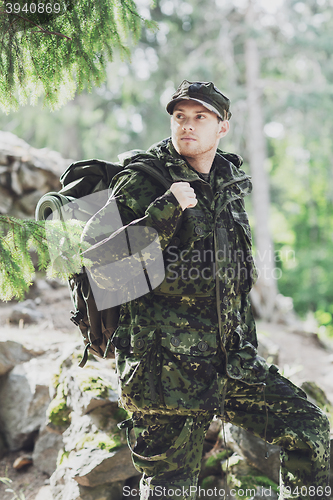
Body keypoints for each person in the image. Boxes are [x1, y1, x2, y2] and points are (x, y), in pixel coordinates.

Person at [84, 81, 330, 499]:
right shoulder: (143, 181)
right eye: (180, 116)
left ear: (223, 128)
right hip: (164, 374)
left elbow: (235, 284)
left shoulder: (228, 184)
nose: (187, 125)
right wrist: (164, 210)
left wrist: (247, 348)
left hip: (231, 365)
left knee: (310, 429)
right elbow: (98, 267)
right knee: (171, 490)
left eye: (200, 117)